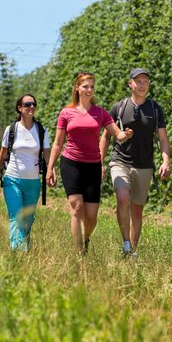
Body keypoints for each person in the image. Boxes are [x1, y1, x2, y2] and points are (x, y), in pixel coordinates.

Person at [45, 71, 133, 254]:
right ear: (77, 88)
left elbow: (117, 134)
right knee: (76, 207)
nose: (89, 90)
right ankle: (79, 253)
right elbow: (58, 143)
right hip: (71, 163)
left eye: (92, 86)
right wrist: (50, 167)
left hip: (92, 165)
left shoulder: (100, 112)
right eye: (85, 86)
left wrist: (126, 135)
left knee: (92, 217)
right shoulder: (66, 113)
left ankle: (84, 240)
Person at [99, 68, 170, 257]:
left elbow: (163, 139)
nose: (142, 85)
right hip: (120, 161)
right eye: (138, 81)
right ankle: (126, 243)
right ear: (130, 83)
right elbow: (106, 136)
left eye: (145, 81)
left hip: (144, 165)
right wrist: (100, 162)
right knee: (122, 198)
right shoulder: (119, 107)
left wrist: (165, 161)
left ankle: (132, 252)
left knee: (137, 211)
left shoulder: (155, 109)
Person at [0, 94, 50, 251]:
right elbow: (2, 154)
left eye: (33, 104)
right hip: (12, 179)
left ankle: (23, 248)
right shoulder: (11, 130)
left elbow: (47, 154)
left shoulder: (41, 130)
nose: (31, 107)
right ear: (20, 108)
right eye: (27, 104)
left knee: (27, 219)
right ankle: (18, 252)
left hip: (33, 182)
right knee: (16, 217)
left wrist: (51, 171)